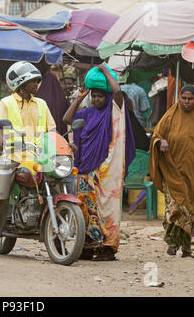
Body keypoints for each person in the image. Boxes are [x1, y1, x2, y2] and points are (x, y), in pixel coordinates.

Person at [0, 61, 57, 258]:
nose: (36, 85)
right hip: (14, 156)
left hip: (39, 156)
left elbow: (52, 129)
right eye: (33, 81)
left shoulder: (42, 104)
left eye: (37, 81)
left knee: (62, 178)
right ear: (20, 83)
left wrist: (61, 143)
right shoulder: (7, 103)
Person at [62, 63, 135, 261]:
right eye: (93, 96)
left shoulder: (115, 109)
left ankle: (107, 248)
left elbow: (117, 90)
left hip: (108, 169)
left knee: (107, 208)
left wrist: (104, 71)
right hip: (86, 168)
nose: (96, 99)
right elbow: (67, 118)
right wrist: (79, 98)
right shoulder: (88, 113)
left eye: (100, 95)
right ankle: (87, 245)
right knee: (85, 206)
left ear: (107, 96)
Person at [149, 85, 194, 258]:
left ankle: (186, 249)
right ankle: (172, 244)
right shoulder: (170, 117)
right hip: (172, 172)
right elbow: (156, 135)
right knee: (175, 209)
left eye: (190, 99)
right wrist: (160, 142)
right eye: (183, 98)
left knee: (190, 211)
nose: (186, 102)